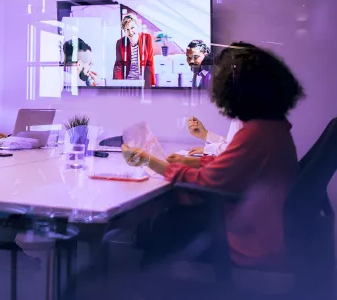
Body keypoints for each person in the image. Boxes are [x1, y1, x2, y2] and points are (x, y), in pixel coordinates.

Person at [123, 42, 305, 267]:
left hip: (246, 240)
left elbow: (205, 183)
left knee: (166, 224)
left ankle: (152, 287)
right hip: (259, 227)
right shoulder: (271, 126)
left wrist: (146, 159)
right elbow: (235, 166)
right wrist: (190, 161)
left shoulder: (256, 133)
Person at [113, 14, 155, 87]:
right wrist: (117, 85)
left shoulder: (147, 38)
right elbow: (118, 66)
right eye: (127, 29)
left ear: (137, 26)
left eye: (132, 28)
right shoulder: (120, 43)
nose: (130, 32)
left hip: (142, 81)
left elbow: (150, 63)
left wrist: (151, 84)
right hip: (127, 82)